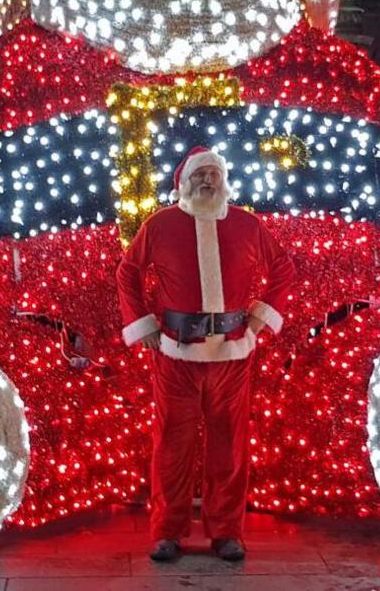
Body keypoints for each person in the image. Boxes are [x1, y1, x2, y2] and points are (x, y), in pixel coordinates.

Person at [116, 146, 296, 564]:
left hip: (233, 354)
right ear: (184, 182)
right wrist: (142, 325)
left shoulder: (248, 225)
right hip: (176, 354)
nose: (208, 180)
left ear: (224, 179)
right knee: (172, 445)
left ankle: (226, 532)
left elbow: (283, 268)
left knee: (229, 447)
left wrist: (258, 321)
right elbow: (128, 272)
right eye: (200, 175)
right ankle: (167, 532)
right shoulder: (159, 225)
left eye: (214, 173)